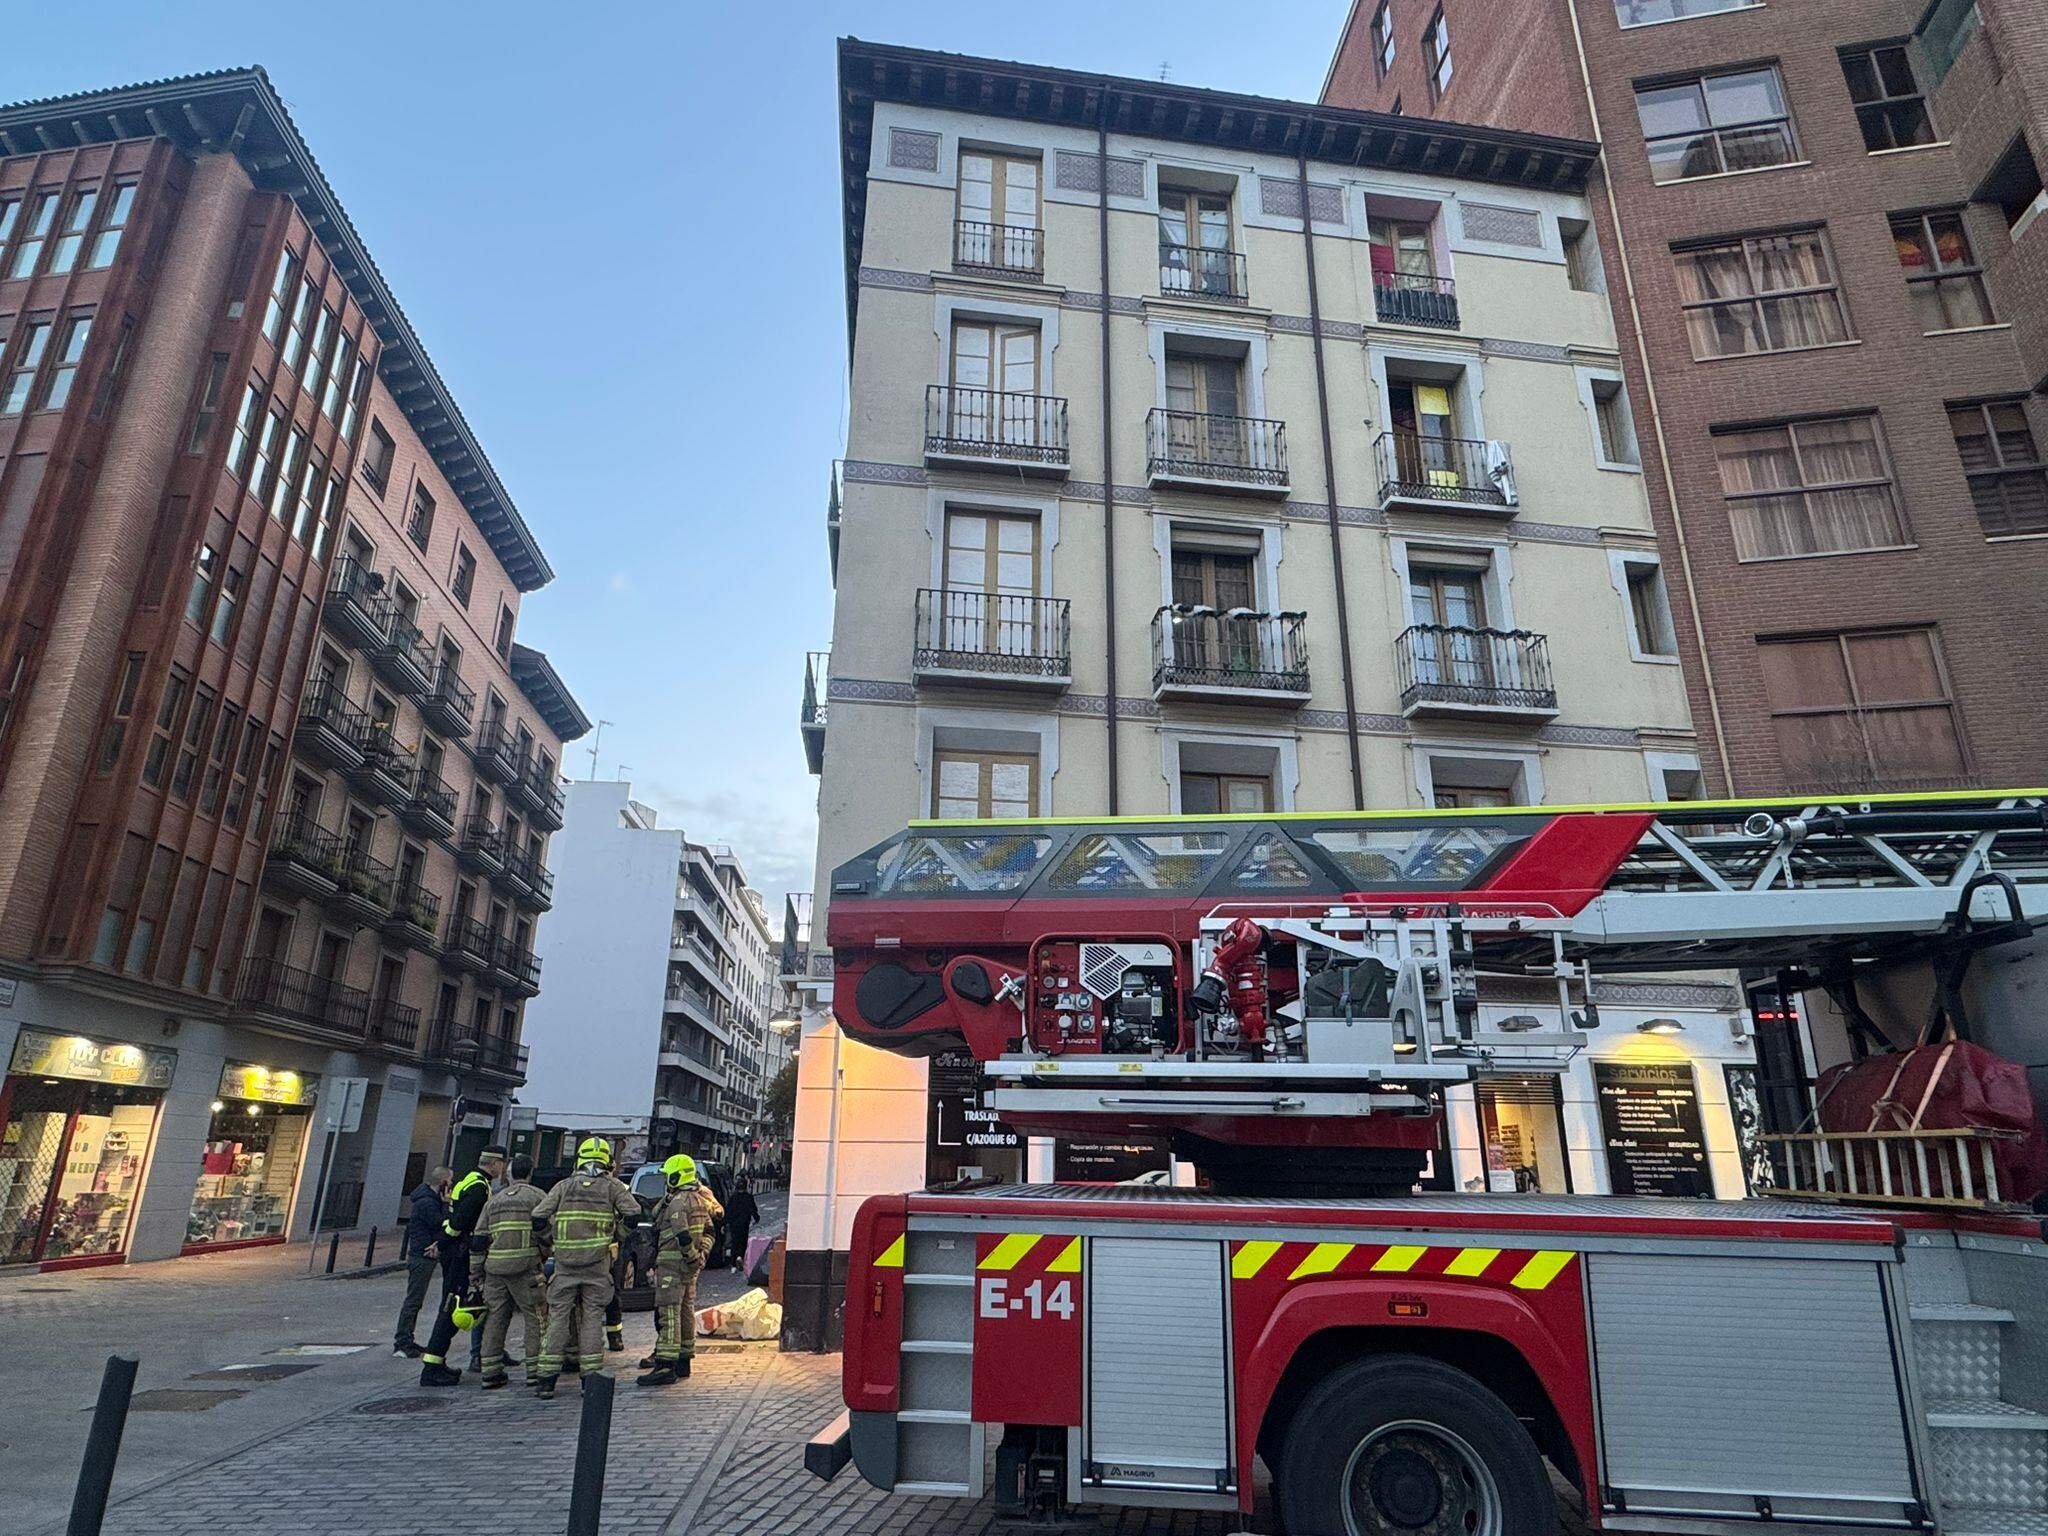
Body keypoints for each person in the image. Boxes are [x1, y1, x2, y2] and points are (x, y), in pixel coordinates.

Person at [530, 1138, 639, 1399]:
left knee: (557, 1320)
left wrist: (550, 1239)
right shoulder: (612, 1187)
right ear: (608, 1162)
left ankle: (546, 1380)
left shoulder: (564, 1186)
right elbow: (634, 1213)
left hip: (565, 1265)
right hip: (597, 1265)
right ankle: (590, 1379)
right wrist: (618, 1235)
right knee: (591, 1319)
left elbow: (537, 1217)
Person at [418, 1145, 507, 1387]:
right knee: (452, 1308)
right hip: (460, 1254)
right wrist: (444, 1242)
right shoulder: (479, 1188)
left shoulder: (468, 1179)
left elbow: (451, 1216)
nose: (503, 1169)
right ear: (495, 1164)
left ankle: (436, 1362)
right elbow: (460, 1222)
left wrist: (442, 1241)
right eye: (502, 1164)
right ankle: (432, 1368)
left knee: (450, 1306)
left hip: (453, 1251)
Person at [639, 1155, 722, 1387]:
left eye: (668, 1176)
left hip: (672, 1265)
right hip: (689, 1268)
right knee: (686, 1310)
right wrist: (702, 1254)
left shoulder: (678, 1202)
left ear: (676, 1176)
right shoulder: (698, 1199)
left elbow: (682, 1234)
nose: (666, 1180)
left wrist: (692, 1256)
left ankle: (666, 1365)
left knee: (670, 1314)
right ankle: (685, 1359)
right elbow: (710, 1231)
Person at [469, 1155, 544, 1390]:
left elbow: (479, 1239)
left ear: (509, 1175)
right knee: (536, 1318)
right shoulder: (538, 1198)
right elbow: (547, 1232)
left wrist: (475, 1273)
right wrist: (543, 1254)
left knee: (495, 1319)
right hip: (526, 1269)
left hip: (495, 1271)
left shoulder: (494, 1201)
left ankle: (490, 1372)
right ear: (530, 1173)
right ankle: (534, 1372)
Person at [392, 1166, 452, 1359]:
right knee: (414, 1300)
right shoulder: (428, 1202)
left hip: (423, 1252)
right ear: (443, 1183)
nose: (452, 1185)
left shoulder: (426, 1199)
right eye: (450, 1181)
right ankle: (403, 1342)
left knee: (416, 1300)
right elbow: (440, 1222)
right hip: (422, 1255)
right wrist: (445, 1203)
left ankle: (407, 1339)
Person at [725, 1178, 759, 1272]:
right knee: (743, 1241)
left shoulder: (733, 1197)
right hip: (744, 1223)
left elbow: (728, 1211)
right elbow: (753, 1209)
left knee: (734, 1242)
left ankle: (733, 1265)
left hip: (734, 1224)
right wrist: (756, 1218)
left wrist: (725, 1222)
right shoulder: (748, 1197)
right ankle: (740, 1256)